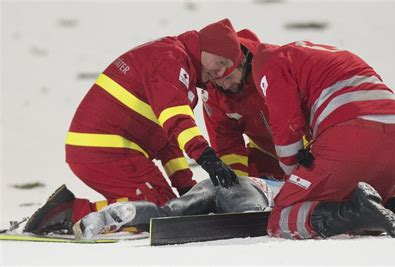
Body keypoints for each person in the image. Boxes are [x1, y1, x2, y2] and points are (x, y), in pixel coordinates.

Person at [23, 18, 243, 235]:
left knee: (167, 208)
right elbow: (176, 119)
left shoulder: (179, 69)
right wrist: (206, 156)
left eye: (227, 67)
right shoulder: (170, 60)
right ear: (204, 47)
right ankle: (71, 213)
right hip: (104, 147)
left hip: (104, 146)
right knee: (157, 209)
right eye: (220, 61)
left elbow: (170, 140)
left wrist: (186, 187)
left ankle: (74, 213)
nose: (220, 72)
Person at [250, 41, 395, 239]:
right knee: (371, 207)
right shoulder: (323, 56)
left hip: (351, 142)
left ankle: (356, 211)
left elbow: (286, 125)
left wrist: (296, 177)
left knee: (280, 218)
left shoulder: (270, 64)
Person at [73, 176, 283, 239]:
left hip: (208, 183)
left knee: (168, 211)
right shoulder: (292, 184)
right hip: (244, 187)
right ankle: (253, 210)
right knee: (253, 216)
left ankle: (120, 212)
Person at [202, 29, 286, 180]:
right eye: (217, 81)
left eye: (228, 78)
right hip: (265, 154)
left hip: (312, 147)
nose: (225, 86)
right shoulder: (214, 93)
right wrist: (237, 185)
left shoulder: (275, 65)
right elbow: (227, 144)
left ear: (241, 62)